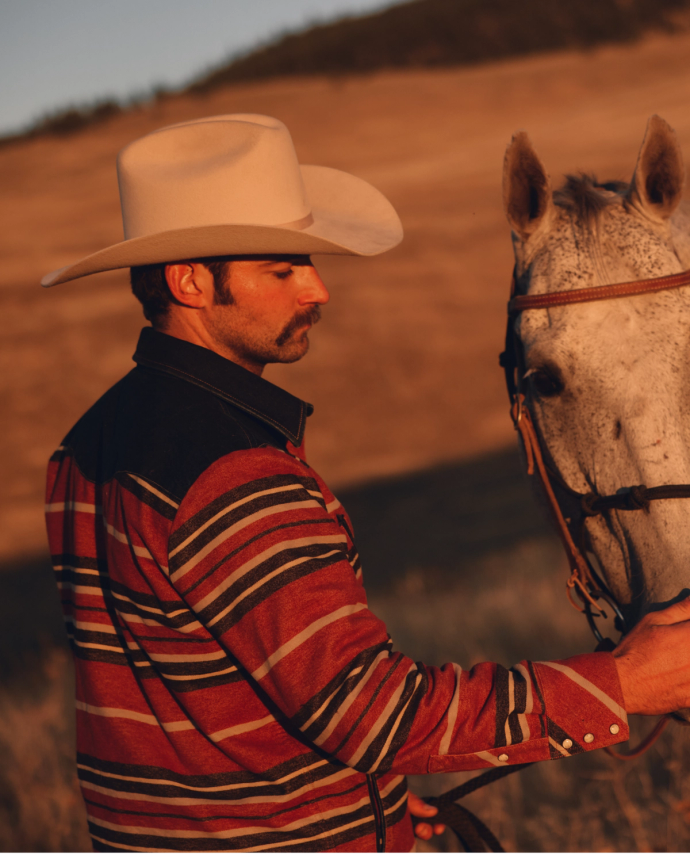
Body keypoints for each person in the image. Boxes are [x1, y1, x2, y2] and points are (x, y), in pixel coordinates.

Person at [43, 114, 690, 855]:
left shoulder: (83, 447)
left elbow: (180, 688)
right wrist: (621, 684)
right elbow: (369, 709)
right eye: (283, 270)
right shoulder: (236, 473)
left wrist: (359, 798)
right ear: (190, 280)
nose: (318, 289)